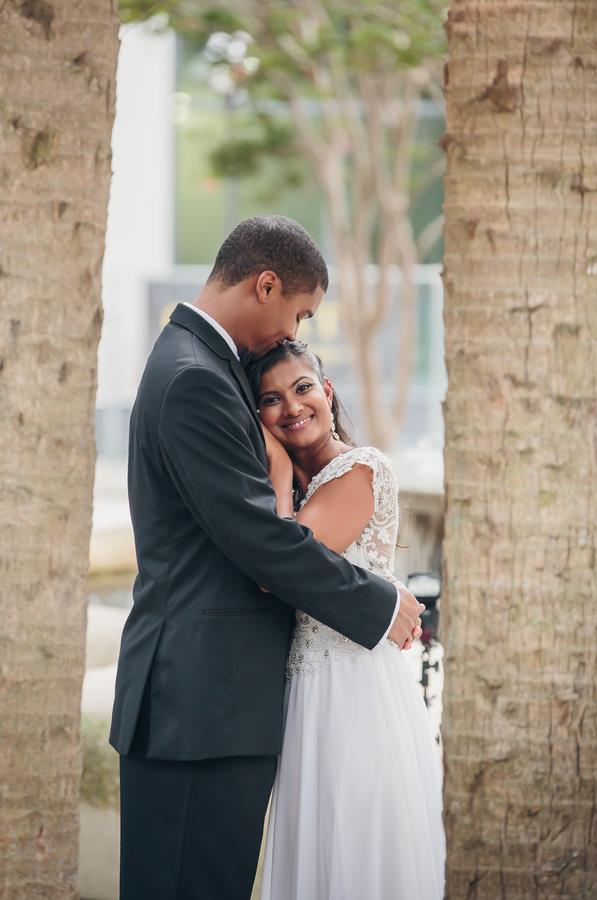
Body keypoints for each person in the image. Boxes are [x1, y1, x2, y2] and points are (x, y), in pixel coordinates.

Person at [108, 215, 424, 900]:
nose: (295, 334)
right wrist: (378, 602)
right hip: (200, 706)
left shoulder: (203, 366)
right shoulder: (196, 378)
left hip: (210, 703)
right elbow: (261, 541)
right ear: (266, 283)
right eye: (300, 312)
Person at [245, 339, 446, 900]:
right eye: (271, 399)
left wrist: (279, 471)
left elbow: (279, 568)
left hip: (353, 689)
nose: (292, 407)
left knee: (356, 847)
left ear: (327, 392)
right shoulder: (312, 486)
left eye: (303, 388)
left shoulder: (360, 469)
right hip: (308, 690)